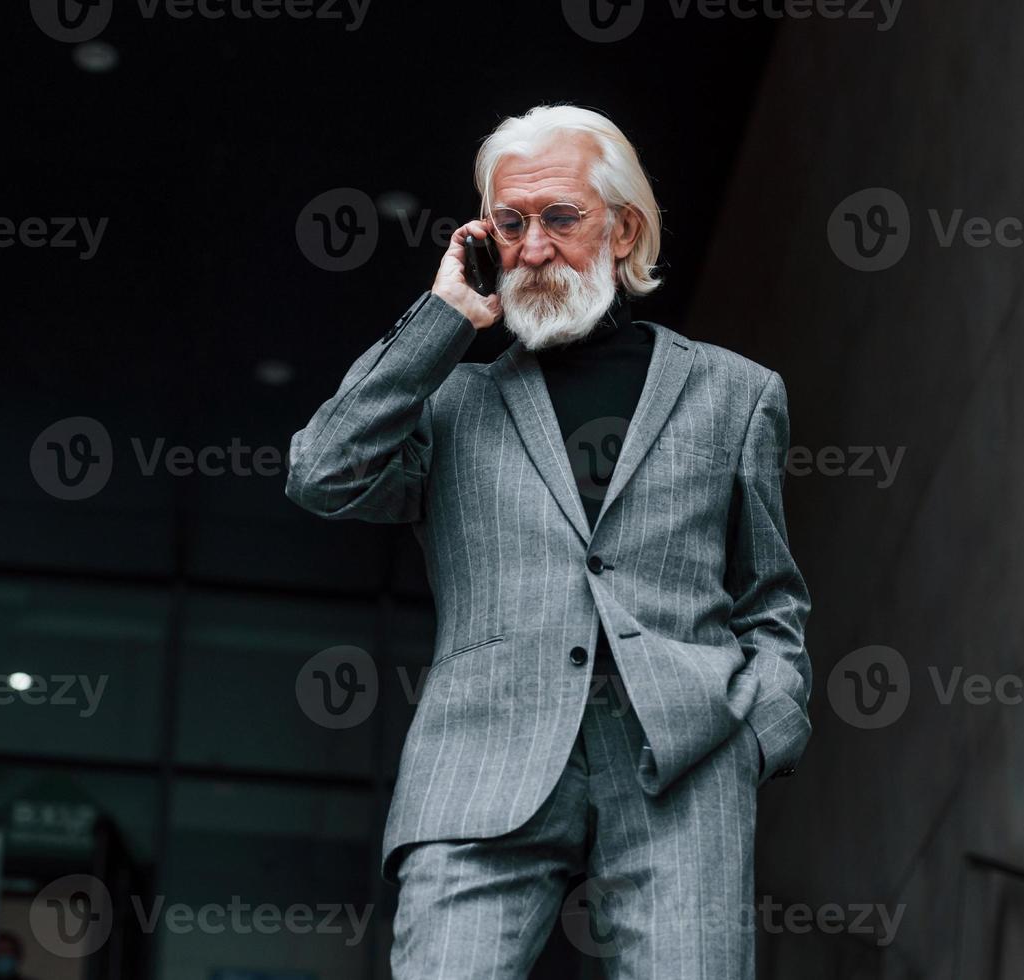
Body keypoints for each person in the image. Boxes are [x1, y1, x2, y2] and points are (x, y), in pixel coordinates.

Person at [286, 104, 811, 978]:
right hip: (481, 758)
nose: (533, 246)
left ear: (623, 227)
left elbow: (771, 594)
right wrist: (443, 315)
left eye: (560, 217)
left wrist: (759, 731)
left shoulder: (736, 393)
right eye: (510, 222)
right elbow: (322, 473)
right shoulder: (449, 401)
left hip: (683, 760)